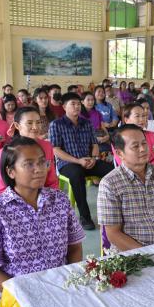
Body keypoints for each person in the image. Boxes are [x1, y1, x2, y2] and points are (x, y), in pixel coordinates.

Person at [0, 136, 84, 307]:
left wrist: (68, 279)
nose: (39, 169)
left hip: (61, 284)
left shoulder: (59, 200)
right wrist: (28, 291)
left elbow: (74, 247)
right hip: (17, 292)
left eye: (42, 162)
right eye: (29, 164)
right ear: (11, 171)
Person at [97, 124, 154, 251]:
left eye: (144, 143)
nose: (143, 149)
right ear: (120, 153)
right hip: (132, 254)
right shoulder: (110, 184)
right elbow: (113, 234)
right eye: (135, 146)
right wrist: (150, 254)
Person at [49, 92, 114, 230]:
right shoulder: (56, 124)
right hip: (67, 163)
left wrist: (94, 158)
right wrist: (78, 161)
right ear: (65, 106)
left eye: (79, 104)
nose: (77, 106)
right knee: (77, 174)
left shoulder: (87, 123)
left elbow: (95, 144)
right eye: (73, 104)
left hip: (89, 161)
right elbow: (56, 150)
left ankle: (116, 210)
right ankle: (85, 217)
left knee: (112, 171)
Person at [0, 106, 58, 194]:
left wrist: (52, 199)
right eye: (29, 123)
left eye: (38, 122)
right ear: (17, 125)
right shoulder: (8, 151)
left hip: (44, 197)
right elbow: (3, 187)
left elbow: (52, 181)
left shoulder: (47, 146)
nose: (35, 127)